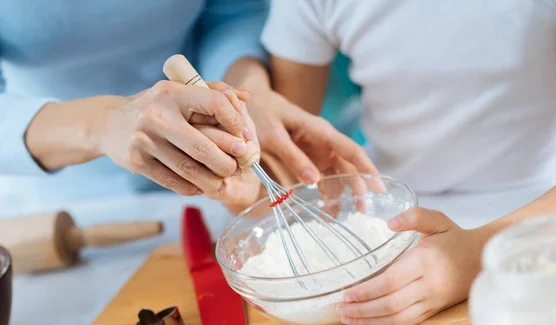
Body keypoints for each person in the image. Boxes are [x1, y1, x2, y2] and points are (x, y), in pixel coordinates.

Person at [248, 0, 556, 325]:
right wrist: (241, 163)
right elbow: (281, 155)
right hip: (385, 226)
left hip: (549, 226)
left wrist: (478, 253)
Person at [0, 0, 374, 211]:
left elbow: (230, 12)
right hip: (73, 199)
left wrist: (239, 91)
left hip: (214, 181)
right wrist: (102, 124)